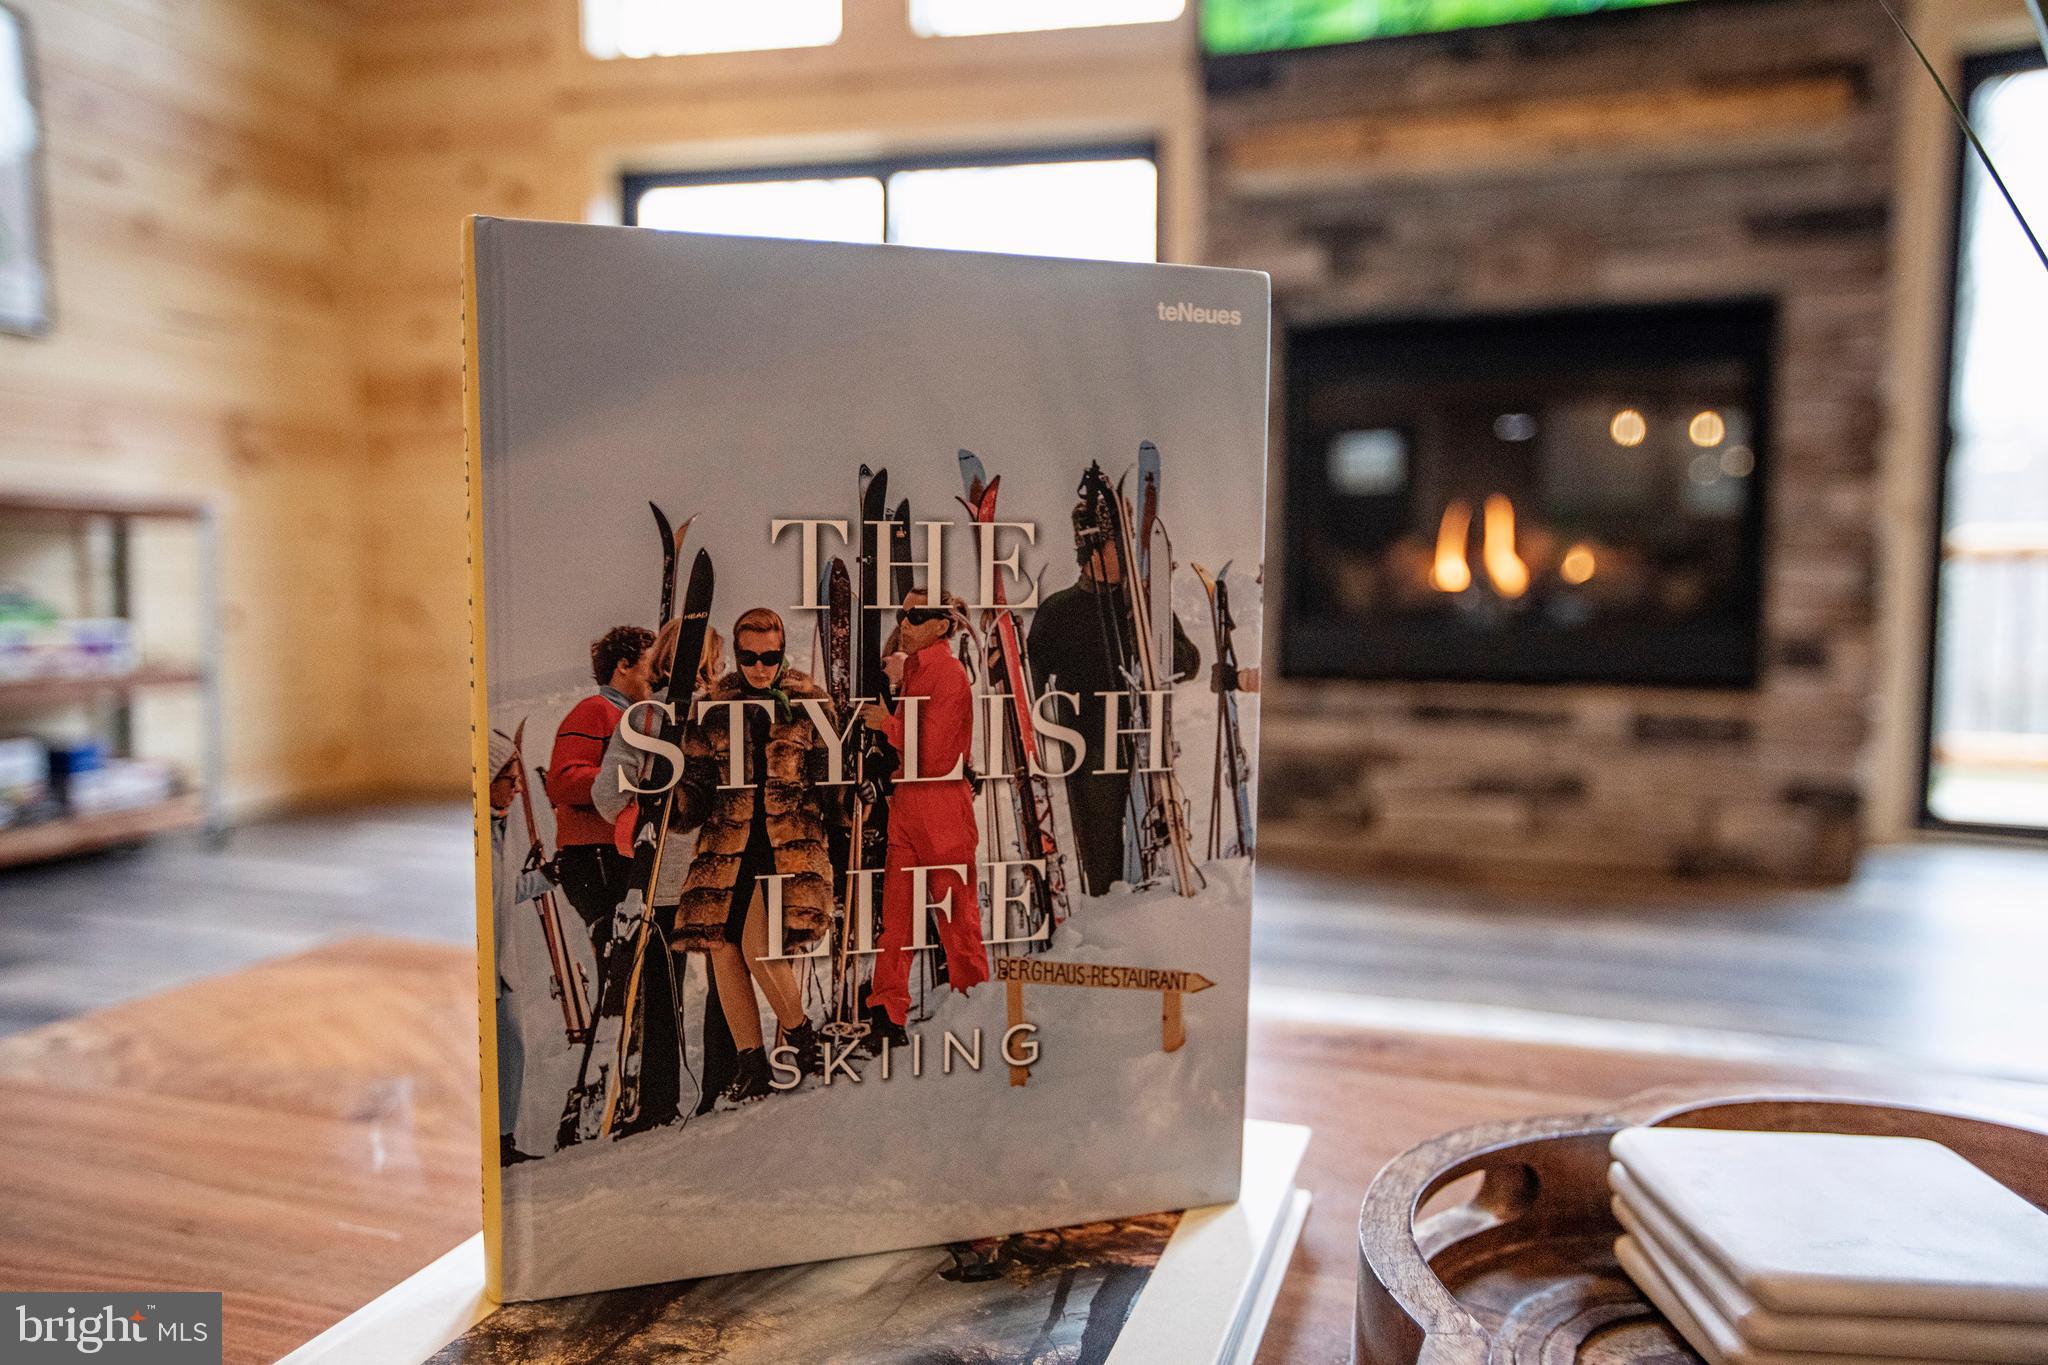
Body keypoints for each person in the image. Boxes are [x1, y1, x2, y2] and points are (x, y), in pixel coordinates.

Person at [670, 608, 835, 1103]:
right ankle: (751, 1062)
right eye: (750, 657)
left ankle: (806, 1041)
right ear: (738, 655)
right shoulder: (714, 706)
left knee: (760, 949)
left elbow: (832, 784)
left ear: (783, 651)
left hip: (784, 846)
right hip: (726, 847)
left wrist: (848, 834)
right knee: (721, 950)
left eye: (770, 656)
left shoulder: (809, 702)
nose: (760, 667)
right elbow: (696, 794)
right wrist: (669, 795)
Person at [1025, 493, 1200, 897]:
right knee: (1103, 872)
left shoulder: (1139, 605)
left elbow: (1187, 662)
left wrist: (1148, 634)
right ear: (1091, 550)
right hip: (1088, 758)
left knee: (1152, 856)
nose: (1126, 553)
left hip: (1144, 751)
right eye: (1116, 544)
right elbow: (1029, 685)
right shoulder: (1058, 611)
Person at [592, 621, 727, 1131]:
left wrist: (643, 791)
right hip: (720, 865)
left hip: (662, 870)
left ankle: (658, 1102)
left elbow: (606, 799)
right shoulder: (727, 712)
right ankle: (723, 1081)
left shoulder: (645, 715)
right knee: (724, 978)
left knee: (662, 985)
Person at [860, 589, 989, 1047]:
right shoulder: (916, 670)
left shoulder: (948, 673)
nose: (905, 623)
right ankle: (887, 1013)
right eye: (902, 614)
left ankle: (974, 1002)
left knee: (956, 915)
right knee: (898, 918)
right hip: (910, 805)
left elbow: (934, 754)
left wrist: (886, 725)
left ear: (941, 624)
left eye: (915, 615)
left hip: (939, 802)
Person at [546, 625, 656, 965]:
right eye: (650, 665)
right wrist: (629, 777)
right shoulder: (595, 710)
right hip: (594, 857)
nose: (657, 676)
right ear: (623, 665)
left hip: (614, 853)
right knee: (617, 965)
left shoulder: (632, 717)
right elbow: (562, 782)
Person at [488, 728, 553, 1164]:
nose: (516, 787)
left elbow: (503, 891)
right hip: (475, 966)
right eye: (507, 778)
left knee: (512, 1048)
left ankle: (503, 1140)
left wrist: (547, 878)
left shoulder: (499, 827)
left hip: (501, 966)